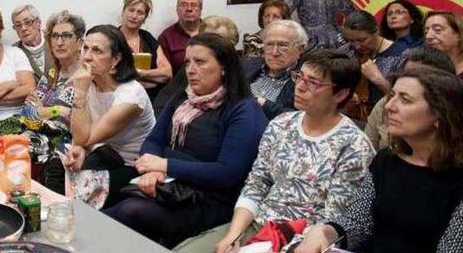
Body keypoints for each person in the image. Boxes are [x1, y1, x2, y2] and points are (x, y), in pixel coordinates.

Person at [175, 50, 374, 253]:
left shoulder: (354, 145)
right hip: (258, 223)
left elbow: (334, 216)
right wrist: (234, 235)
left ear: (340, 94)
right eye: (299, 77)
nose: (300, 87)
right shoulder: (281, 124)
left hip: (304, 239)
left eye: (313, 82)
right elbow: (257, 182)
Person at [103, 33, 267, 247]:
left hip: (212, 199)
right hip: (173, 186)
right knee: (118, 199)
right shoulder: (184, 97)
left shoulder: (243, 110)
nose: (190, 69)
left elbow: (227, 173)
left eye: (200, 62)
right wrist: (154, 169)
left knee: (133, 211)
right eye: (188, 62)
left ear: (224, 67)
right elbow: (153, 140)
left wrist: (165, 165)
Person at [293, 66, 463, 253]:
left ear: (440, 114)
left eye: (405, 100)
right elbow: (358, 222)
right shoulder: (386, 160)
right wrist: (326, 231)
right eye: (392, 96)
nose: (389, 106)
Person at [66, 25, 156, 208]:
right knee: (57, 166)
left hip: (135, 165)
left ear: (116, 59)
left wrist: (80, 93)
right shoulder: (92, 81)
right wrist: (80, 149)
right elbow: (81, 134)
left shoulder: (131, 95)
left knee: (85, 186)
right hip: (108, 151)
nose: (87, 56)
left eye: (97, 50)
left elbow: (83, 136)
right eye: (86, 48)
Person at [364, 46, 456, 150]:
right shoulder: (385, 103)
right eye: (407, 74)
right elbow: (368, 150)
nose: (390, 107)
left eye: (419, 77)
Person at [341, 10, 408, 121]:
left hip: (386, 120)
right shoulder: (346, 51)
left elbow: (405, 100)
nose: (357, 46)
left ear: (376, 31)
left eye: (362, 40)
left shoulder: (401, 55)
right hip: (348, 118)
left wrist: (378, 79)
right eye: (351, 40)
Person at [25, 10, 85, 125]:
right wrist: (58, 110)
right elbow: (28, 110)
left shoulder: (88, 73)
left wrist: (43, 111)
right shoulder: (52, 72)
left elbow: (81, 120)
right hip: (44, 136)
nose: (59, 42)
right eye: (55, 36)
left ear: (80, 42)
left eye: (66, 36)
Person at [243, 19, 307, 119]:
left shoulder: (306, 80)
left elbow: (302, 118)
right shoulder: (246, 67)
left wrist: (263, 104)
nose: (274, 52)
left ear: (301, 48)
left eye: (283, 45)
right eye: (269, 44)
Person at [118, 0, 172, 97]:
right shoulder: (112, 37)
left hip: (150, 97)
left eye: (140, 13)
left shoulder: (148, 38)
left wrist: (140, 74)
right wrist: (153, 78)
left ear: (145, 18)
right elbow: (112, 75)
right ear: (123, 12)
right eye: (131, 10)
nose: (134, 16)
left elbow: (167, 73)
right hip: (121, 96)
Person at [158, 0, 204, 75]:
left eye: (194, 5)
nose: (189, 9)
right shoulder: (166, 37)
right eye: (184, 5)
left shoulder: (212, 31)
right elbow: (165, 73)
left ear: (200, 9)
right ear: (177, 9)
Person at [11, 4, 52, 80]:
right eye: (18, 25)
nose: (23, 28)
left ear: (38, 23)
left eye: (28, 22)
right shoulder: (12, 53)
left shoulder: (55, 40)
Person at [424, 11, 463, 81]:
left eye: (437, 30)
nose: (428, 36)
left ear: (459, 35)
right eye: (426, 32)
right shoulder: (423, 69)